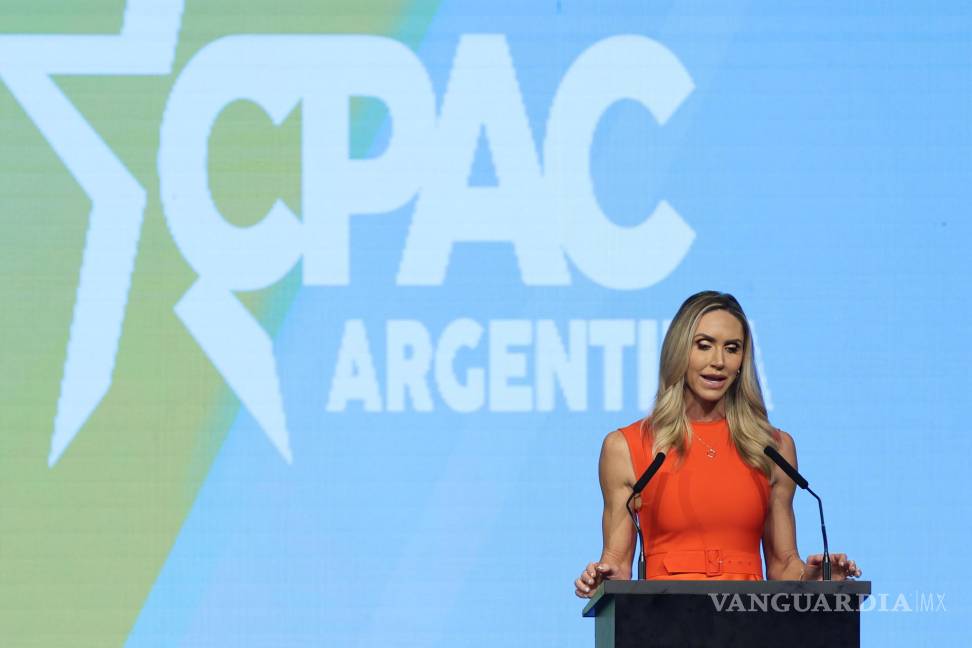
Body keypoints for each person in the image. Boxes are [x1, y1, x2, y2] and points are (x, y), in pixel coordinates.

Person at [574, 291, 861, 597]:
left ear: (742, 361)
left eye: (732, 348)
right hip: (660, 623)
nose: (718, 362)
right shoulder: (627, 447)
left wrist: (815, 576)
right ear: (680, 352)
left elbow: (782, 564)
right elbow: (616, 563)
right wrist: (601, 580)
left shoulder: (774, 448)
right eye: (704, 345)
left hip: (749, 624)